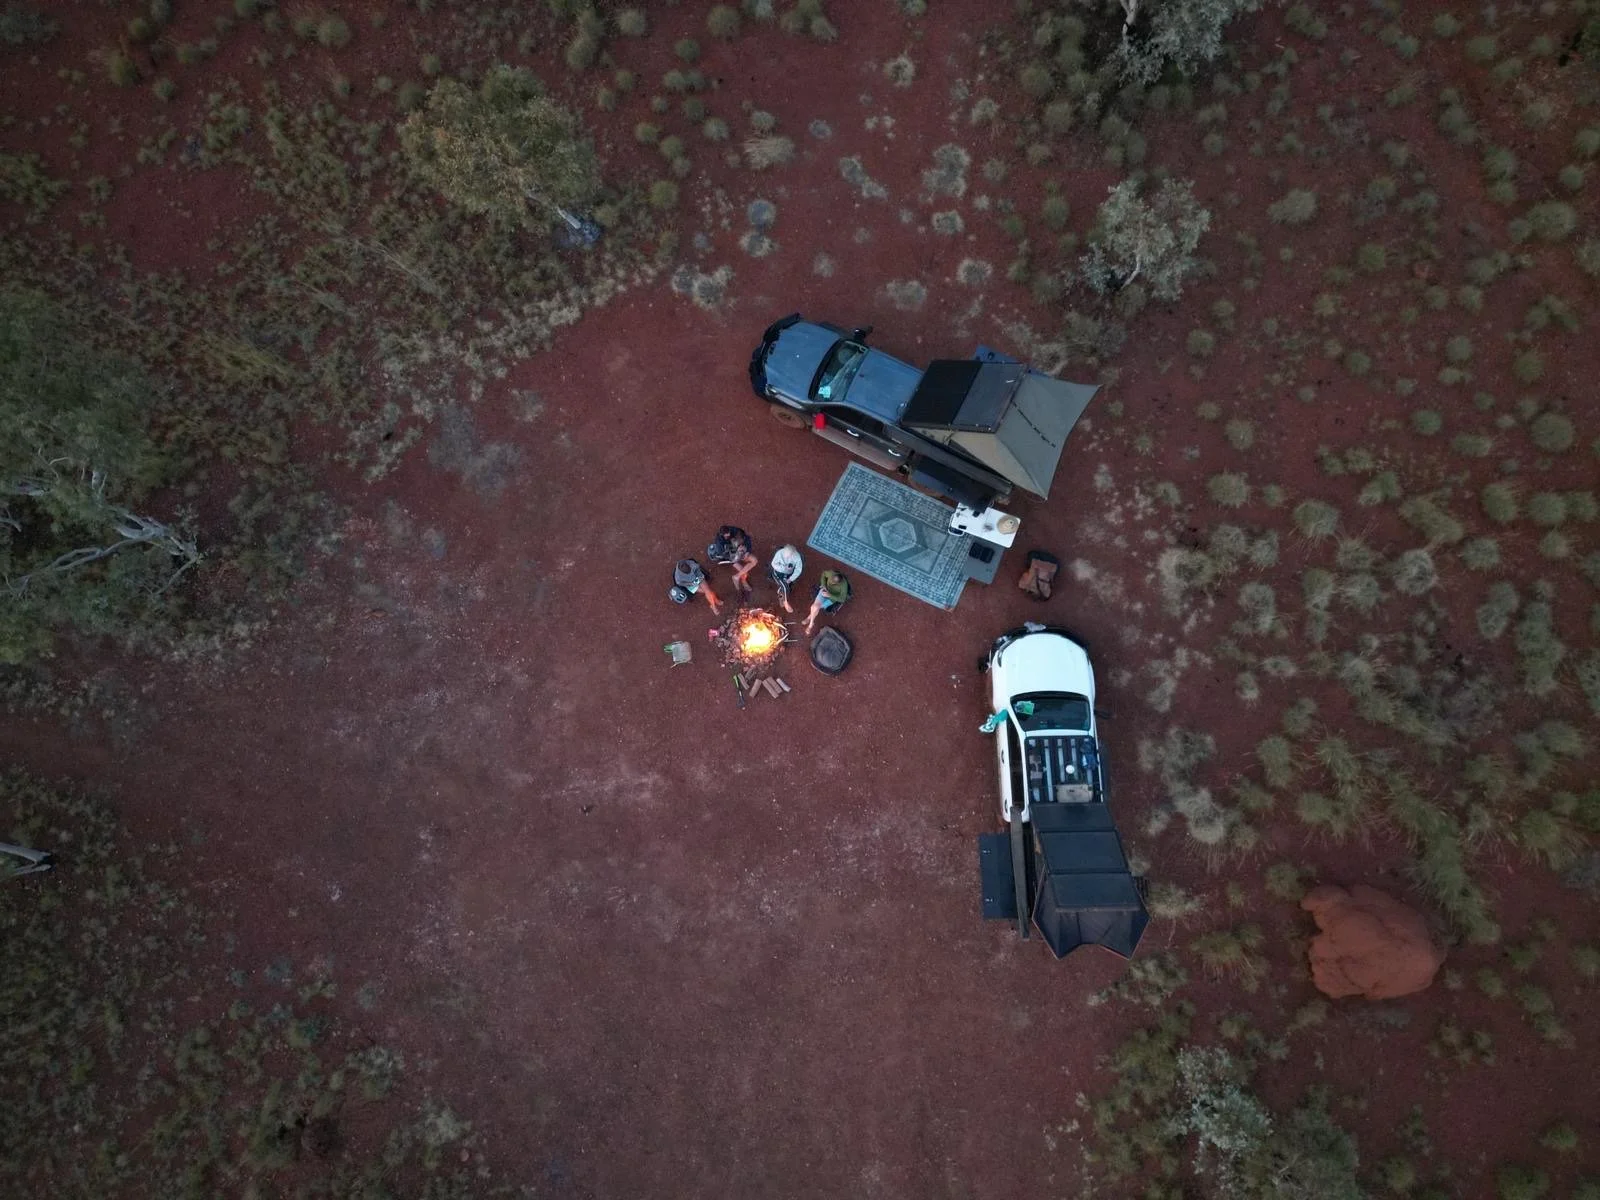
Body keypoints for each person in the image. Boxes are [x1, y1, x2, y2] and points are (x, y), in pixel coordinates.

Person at [707, 525, 758, 594]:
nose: (727, 537)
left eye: (728, 535)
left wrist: (747, 551)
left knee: (754, 560)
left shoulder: (736, 531)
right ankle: (743, 582)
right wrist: (736, 553)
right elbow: (726, 555)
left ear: (729, 531)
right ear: (722, 535)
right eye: (726, 536)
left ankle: (737, 576)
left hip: (741, 551)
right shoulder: (719, 543)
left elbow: (747, 539)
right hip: (731, 557)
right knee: (744, 571)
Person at [804, 568, 850, 635]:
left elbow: (842, 599)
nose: (831, 582)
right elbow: (823, 574)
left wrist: (830, 595)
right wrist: (823, 585)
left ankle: (809, 620)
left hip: (831, 598)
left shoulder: (844, 585)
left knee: (815, 607)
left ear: (838, 583)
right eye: (831, 580)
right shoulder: (831, 573)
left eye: (833, 583)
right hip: (824, 591)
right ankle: (811, 624)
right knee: (814, 606)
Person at [768, 544, 803, 613]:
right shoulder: (780, 553)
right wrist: (784, 568)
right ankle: (785, 602)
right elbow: (773, 564)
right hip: (778, 573)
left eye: (789, 555)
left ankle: (781, 593)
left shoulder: (797, 557)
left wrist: (791, 578)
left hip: (789, 574)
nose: (786, 557)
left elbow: (798, 570)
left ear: (794, 553)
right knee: (785, 586)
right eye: (785, 554)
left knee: (786, 586)